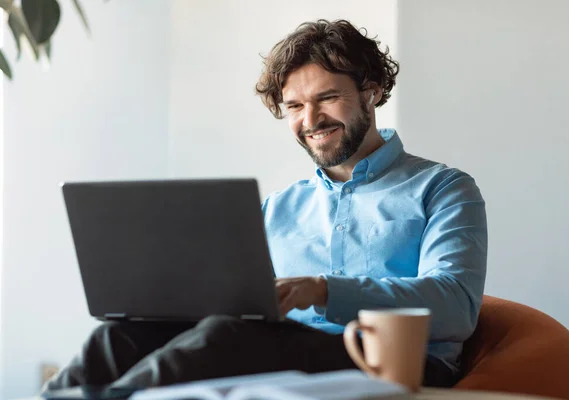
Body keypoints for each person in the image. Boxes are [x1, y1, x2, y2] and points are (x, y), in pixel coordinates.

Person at [44, 19, 487, 392]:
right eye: (294, 106)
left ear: (371, 92)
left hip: (390, 363)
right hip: (282, 347)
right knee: (118, 336)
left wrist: (323, 289)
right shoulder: (278, 207)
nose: (310, 121)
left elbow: (456, 305)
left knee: (228, 338)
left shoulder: (443, 188)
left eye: (327, 98)